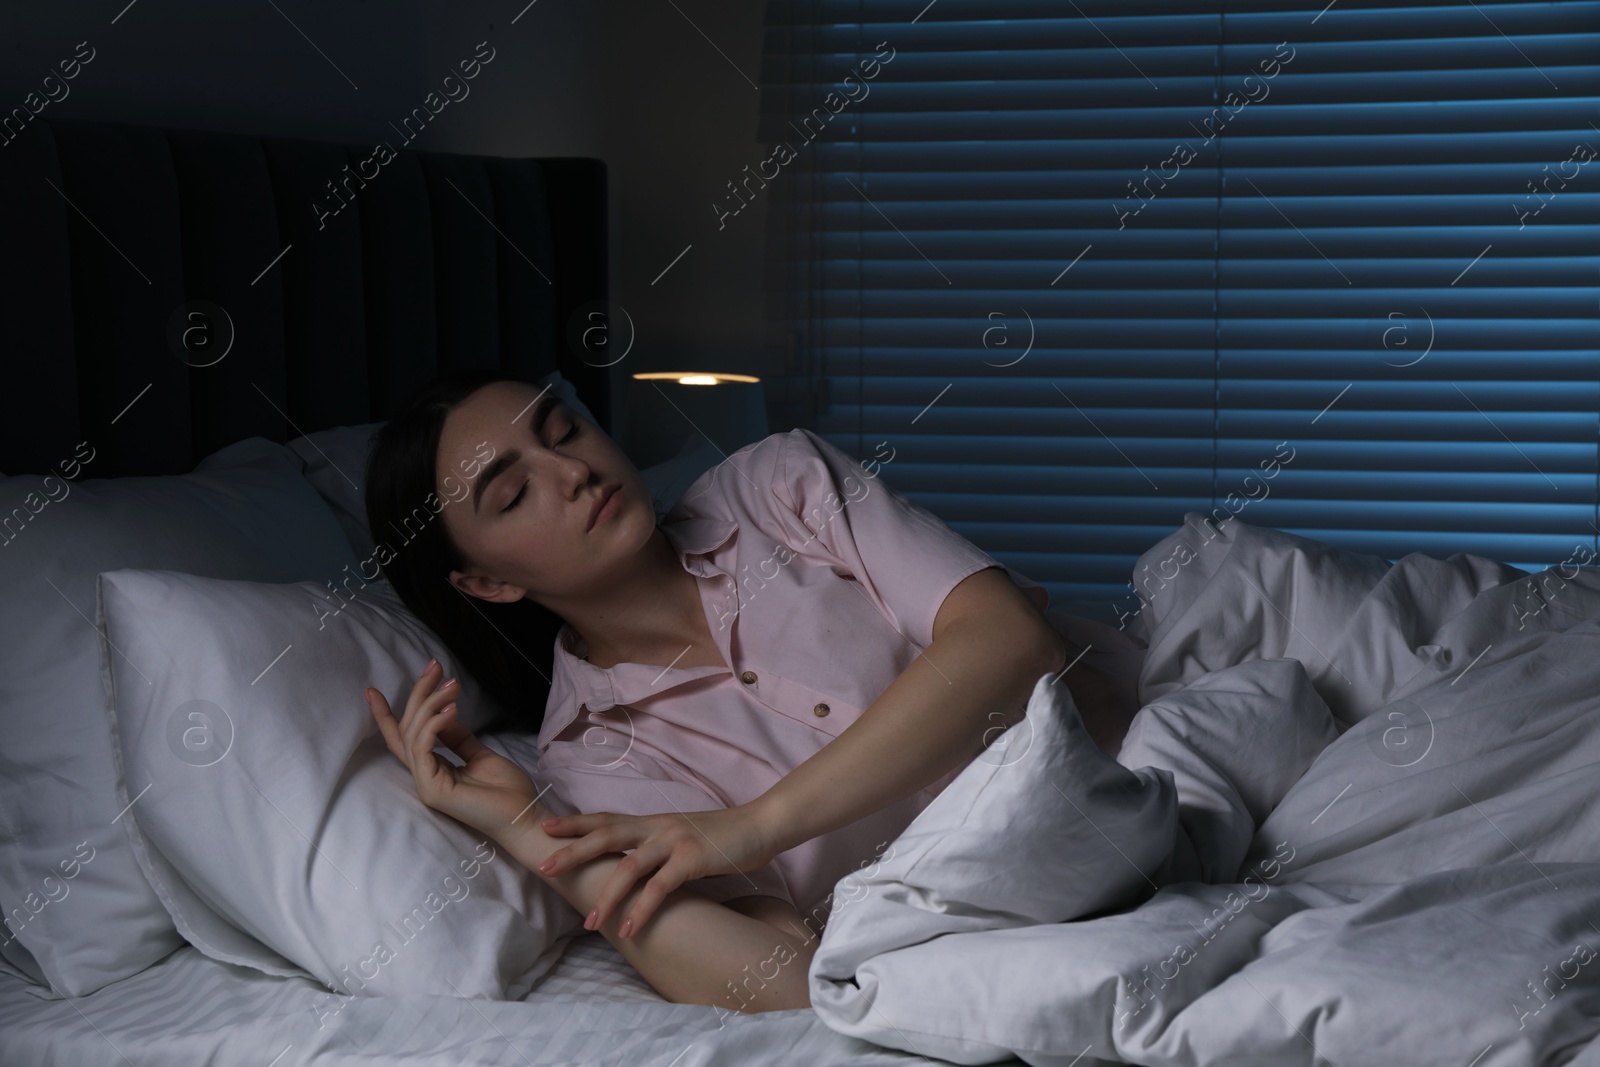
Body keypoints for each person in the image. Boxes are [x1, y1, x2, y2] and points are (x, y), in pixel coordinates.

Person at [361, 367, 1137, 1015]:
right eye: (513, 493)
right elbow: (783, 980)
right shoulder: (592, 752)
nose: (573, 472)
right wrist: (529, 827)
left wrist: (754, 824)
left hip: (1136, 774)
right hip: (1026, 917)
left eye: (562, 430)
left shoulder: (778, 483)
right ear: (488, 582)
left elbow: (1011, 640)